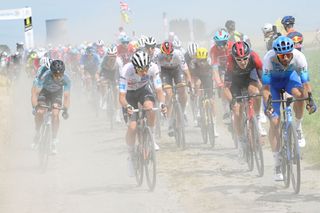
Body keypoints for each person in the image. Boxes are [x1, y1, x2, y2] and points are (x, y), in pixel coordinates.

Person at [262, 36, 317, 180]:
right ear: (276, 54)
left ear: (292, 51)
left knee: (300, 95)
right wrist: (268, 104)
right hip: (273, 85)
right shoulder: (268, 58)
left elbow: (306, 83)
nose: (286, 58)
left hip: (289, 80)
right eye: (282, 55)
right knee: (274, 122)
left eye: (288, 54)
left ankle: (297, 128)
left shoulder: (299, 57)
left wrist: (310, 100)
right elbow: (266, 87)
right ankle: (277, 162)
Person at [119, 51, 167, 176]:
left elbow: (159, 90)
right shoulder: (126, 71)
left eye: (146, 69)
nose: (145, 72)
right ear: (134, 67)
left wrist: (162, 104)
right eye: (141, 70)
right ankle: (130, 155)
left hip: (143, 90)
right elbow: (121, 97)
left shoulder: (153, 68)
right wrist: (127, 106)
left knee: (150, 108)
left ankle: (150, 137)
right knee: (132, 127)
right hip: (129, 95)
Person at [224, 41, 266, 159]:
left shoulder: (254, 58)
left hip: (249, 78)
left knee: (256, 92)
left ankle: (257, 118)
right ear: (234, 58)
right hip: (236, 82)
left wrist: (266, 93)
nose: (242, 62)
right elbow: (226, 88)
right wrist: (232, 101)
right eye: (239, 59)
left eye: (245, 59)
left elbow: (262, 81)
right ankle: (242, 143)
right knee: (237, 110)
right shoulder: (230, 62)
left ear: (249, 55)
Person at [31, 60, 71, 154]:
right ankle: (37, 132)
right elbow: (35, 93)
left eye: (60, 74)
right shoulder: (45, 76)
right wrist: (35, 107)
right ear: (51, 72)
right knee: (40, 111)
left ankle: (54, 139)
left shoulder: (66, 79)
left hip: (57, 94)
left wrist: (65, 109)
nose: (58, 77)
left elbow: (66, 96)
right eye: (55, 75)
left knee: (55, 114)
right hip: (44, 92)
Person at [156, 41, 191, 135]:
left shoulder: (178, 54)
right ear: (162, 53)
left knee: (182, 90)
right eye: (166, 55)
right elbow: (157, 74)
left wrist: (189, 81)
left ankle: (182, 112)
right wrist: (160, 87)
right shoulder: (158, 57)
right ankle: (170, 123)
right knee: (168, 94)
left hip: (177, 70)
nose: (168, 57)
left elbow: (185, 69)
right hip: (165, 72)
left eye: (170, 55)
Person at [189, 47, 219, 136]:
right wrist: (193, 87)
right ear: (196, 58)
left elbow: (214, 72)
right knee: (197, 84)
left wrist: (217, 83)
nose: (201, 63)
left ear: (206, 58)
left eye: (203, 60)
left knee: (212, 101)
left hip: (207, 77)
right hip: (198, 76)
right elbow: (192, 76)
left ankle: (214, 125)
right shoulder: (193, 63)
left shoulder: (210, 61)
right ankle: (198, 110)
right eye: (199, 60)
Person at [209, 30, 232, 122]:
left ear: (227, 41)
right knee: (223, 83)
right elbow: (215, 69)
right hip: (221, 69)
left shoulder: (232, 46)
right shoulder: (213, 50)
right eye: (218, 43)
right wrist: (219, 84)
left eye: (223, 43)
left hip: (232, 67)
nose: (221, 46)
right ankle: (226, 110)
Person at [96, 45, 123, 122]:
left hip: (115, 75)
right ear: (107, 55)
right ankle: (103, 98)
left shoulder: (119, 61)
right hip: (106, 74)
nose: (112, 57)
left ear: (116, 55)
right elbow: (98, 73)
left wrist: (120, 84)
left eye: (113, 56)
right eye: (110, 56)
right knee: (102, 83)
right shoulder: (103, 60)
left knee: (116, 94)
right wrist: (98, 80)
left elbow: (122, 74)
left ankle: (117, 116)